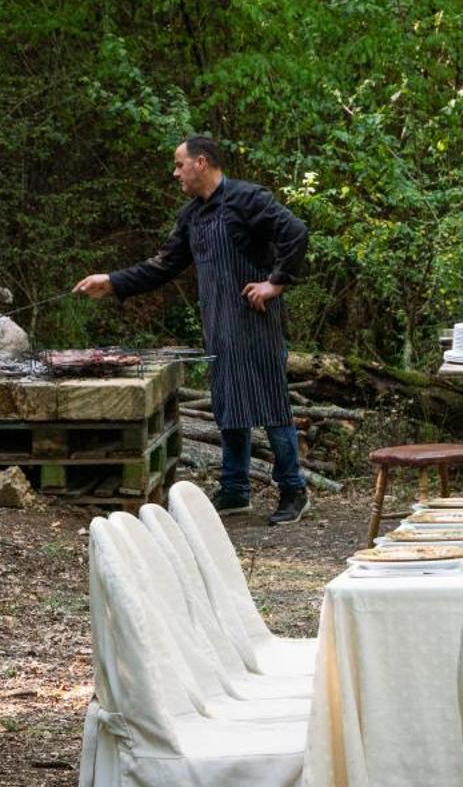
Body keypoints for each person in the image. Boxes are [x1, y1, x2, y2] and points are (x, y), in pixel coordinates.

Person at [74, 135, 311, 524]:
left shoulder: (248, 198)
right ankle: (235, 490)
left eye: (179, 164)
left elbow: (296, 232)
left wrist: (275, 283)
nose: (175, 172)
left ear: (201, 163)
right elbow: (163, 264)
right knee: (228, 402)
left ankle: (293, 491)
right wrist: (113, 281)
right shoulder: (192, 215)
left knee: (271, 405)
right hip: (218, 322)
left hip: (257, 320)